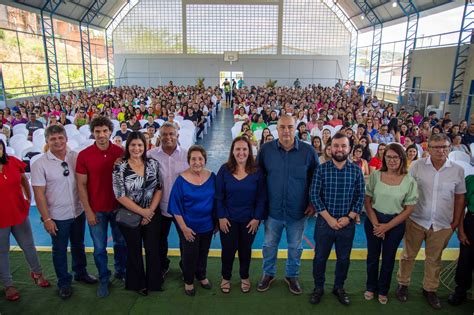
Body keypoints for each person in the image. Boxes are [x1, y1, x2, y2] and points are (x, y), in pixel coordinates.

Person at [396, 133, 466, 310]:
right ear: (428, 149)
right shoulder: (417, 166)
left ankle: (430, 289)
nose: (441, 150)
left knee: (434, 259)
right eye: (436, 147)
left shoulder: (457, 170)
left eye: (445, 146)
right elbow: (407, 191)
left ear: (449, 148)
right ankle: (403, 284)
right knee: (408, 255)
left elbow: (459, 198)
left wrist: (456, 221)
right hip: (416, 220)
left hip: (443, 224)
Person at [31, 125, 97, 299]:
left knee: (78, 245)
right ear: (47, 141)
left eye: (60, 137)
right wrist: (46, 219)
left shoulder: (76, 157)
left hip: (78, 212)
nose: (57, 141)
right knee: (59, 250)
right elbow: (39, 194)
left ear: (66, 138)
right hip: (57, 216)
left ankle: (81, 273)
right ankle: (64, 282)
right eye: (53, 139)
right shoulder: (40, 164)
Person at [257, 115, 318, 295]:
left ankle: (292, 275)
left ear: (296, 128)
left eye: (290, 127)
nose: (286, 131)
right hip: (272, 210)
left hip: (298, 211)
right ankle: (268, 274)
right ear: (277, 129)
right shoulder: (266, 150)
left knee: (295, 247)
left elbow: (316, 179)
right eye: (282, 127)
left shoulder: (308, 152)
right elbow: (258, 179)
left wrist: (312, 203)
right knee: (269, 245)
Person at [309, 133, 365, 306]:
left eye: (343, 146)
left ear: (349, 149)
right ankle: (318, 288)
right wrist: (329, 218)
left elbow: (360, 196)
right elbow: (314, 195)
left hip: (346, 225)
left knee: (344, 259)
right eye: (336, 146)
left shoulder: (356, 170)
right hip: (324, 224)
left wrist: (349, 218)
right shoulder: (321, 169)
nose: (339, 149)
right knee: (320, 258)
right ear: (330, 148)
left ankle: (339, 287)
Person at [76, 116, 127, 298]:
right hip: (96, 209)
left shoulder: (120, 152)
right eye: (97, 131)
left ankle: (121, 271)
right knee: (99, 248)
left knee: (121, 243)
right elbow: (81, 185)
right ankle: (104, 278)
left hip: (118, 208)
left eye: (105, 131)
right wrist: (88, 211)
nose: (101, 135)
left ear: (110, 132)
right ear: (93, 132)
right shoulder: (84, 155)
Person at [364, 143, 418, 304]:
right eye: (389, 157)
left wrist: (387, 226)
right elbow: (367, 201)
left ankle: (383, 290)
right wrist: (376, 224)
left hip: (395, 223)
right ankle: (370, 287)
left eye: (396, 157)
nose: (392, 160)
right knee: (372, 257)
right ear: (384, 158)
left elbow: (408, 209)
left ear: (402, 158)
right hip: (374, 219)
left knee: (388, 258)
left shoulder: (409, 181)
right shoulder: (375, 176)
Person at [113, 132, 163, 296]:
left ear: (145, 146)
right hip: (130, 216)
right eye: (133, 145)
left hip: (151, 214)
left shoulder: (153, 164)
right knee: (133, 250)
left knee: (152, 248)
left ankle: (154, 281)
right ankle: (137, 283)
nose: (136, 148)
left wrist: (149, 212)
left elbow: (159, 189)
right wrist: (142, 212)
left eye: (140, 145)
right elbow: (120, 195)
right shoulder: (120, 167)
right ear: (128, 147)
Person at [0, 139, 50, 301]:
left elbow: (23, 181)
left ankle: (37, 273)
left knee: (29, 246)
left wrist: (28, 198)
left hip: (19, 212)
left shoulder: (13, 162)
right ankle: (9, 285)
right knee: (2, 252)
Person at [215, 136, 267, 294]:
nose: (241, 152)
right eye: (237, 149)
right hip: (228, 220)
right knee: (228, 249)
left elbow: (262, 197)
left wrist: (257, 218)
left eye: (244, 149)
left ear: (249, 151)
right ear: (232, 151)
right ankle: (226, 277)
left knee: (245, 249)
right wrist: (221, 217)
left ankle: (244, 276)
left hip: (249, 220)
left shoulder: (257, 171)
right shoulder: (224, 169)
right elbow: (218, 196)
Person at [168, 145, 215, 296]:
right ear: (188, 160)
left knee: (203, 253)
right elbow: (175, 206)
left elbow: (218, 200)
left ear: (205, 160)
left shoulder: (212, 177)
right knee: (189, 255)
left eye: (200, 159)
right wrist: (184, 228)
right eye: (193, 159)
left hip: (207, 225)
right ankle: (188, 281)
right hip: (189, 227)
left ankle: (201, 275)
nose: (197, 162)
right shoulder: (181, 180)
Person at [147, 122, 189, 278]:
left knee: (185, 240)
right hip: (158, 206)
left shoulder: (187, 155)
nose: (168, 137)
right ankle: (163, 265)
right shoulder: (151, 155)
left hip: (182, 208)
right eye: (164, 134)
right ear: (159, 136)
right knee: (159, 240)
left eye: (171, 134)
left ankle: (186, 266)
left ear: (177, 136)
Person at [448, 174, 474, 306]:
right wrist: (461, 231)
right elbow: (461, 205)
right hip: (471, 222)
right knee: (466, 258)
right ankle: (461, 291)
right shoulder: (470, 180)